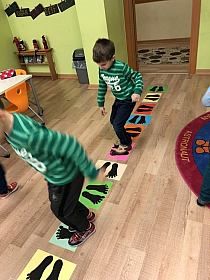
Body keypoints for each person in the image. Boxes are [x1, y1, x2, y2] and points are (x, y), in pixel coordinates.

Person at [0, 109, 105, 246]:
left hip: (65, 176)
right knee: (65, 203)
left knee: (60, 210)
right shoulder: (8, 128)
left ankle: (85, 227)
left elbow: (70, 144)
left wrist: (92, 173)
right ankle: (85, 215)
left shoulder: (30, 135)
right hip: (54, 174)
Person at [93, 38, 144, 155]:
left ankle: (126, 143)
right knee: (112, 121)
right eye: (98, 64)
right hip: (118, 99)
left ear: (113, 58)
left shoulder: (121, 67)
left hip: (128, 99)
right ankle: (126, 137)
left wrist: (137, 91)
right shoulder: (102, 70)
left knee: (117, 124)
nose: (101, 67)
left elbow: (137, 76)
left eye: (103, 64)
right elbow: (102, 86)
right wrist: (100, 103)